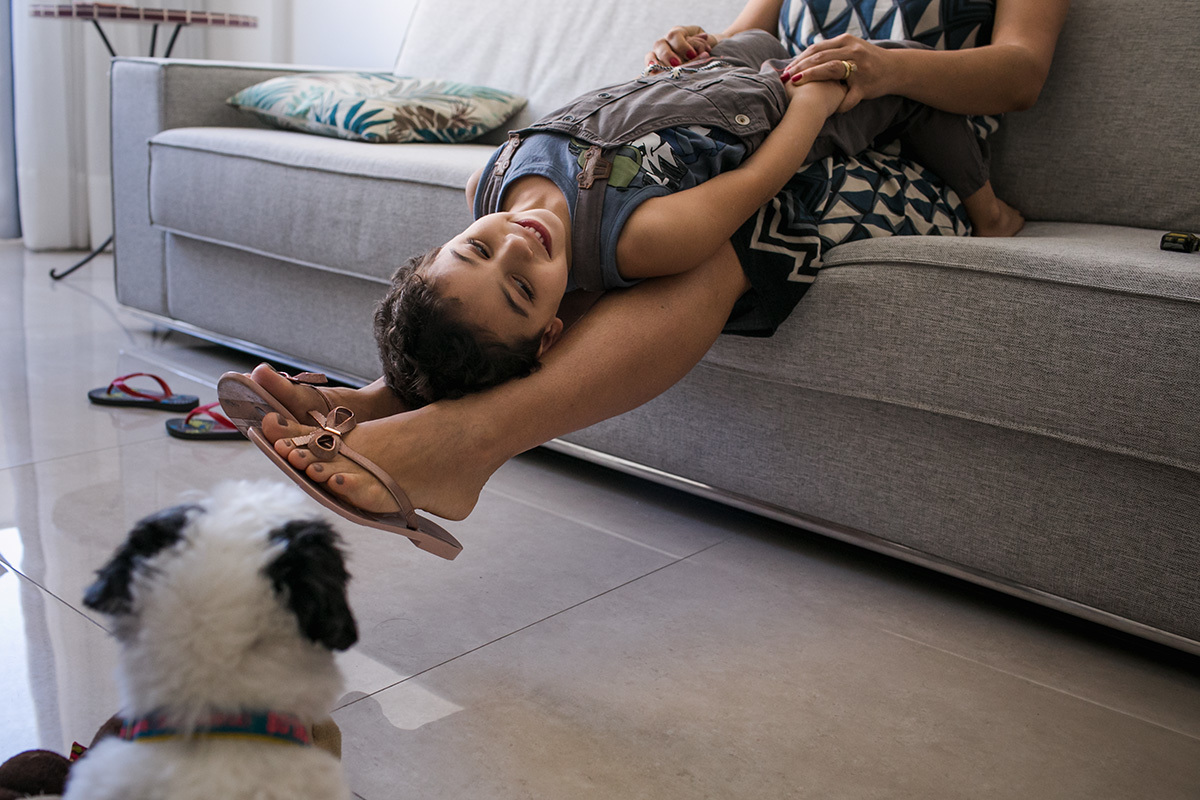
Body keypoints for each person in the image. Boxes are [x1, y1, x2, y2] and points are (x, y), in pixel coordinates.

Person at [220, 0, 1069, 549]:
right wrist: (693, 50)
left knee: (710, 228)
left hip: (905, 150)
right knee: (585, 223)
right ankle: (398, 398)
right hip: (774, 109)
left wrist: (885, 68)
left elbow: (1020, 74)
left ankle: (468, 441)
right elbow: (751, 37)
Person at [373, 29, 1011, 408]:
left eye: (476, 251)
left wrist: (679, 58)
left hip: (712, 74)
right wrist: (814, 107)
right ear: (550, 332)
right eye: (521, 289)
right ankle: (989, 208)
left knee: (761, 40)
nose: (516, 248)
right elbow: (759, 180)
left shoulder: (486, 183)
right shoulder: (640, 240)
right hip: (784, 104)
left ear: (440, 246)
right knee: (910, 81)